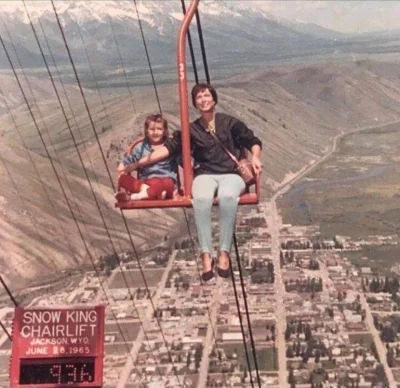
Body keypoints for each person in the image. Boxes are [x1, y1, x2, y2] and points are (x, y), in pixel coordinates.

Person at [118, 84, 262, 280]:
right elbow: (167, 149)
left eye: (206, 95)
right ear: (195, 103)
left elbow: (251, 140)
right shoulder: (192, 130)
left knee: (228, 196)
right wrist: (136, 165)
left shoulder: (229, 123)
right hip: (205, 175)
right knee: (201, 198)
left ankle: (224, 253)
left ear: (214, 99)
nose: (203, 99)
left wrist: (255, 157)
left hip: (231, 174)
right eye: (199, 97)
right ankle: (205, 254)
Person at [116, 114, 176, 201]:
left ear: (164, 131)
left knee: (168, 183)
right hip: (146, 181)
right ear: (147, 131)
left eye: (159, 129)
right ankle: (152, 192)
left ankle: (134, 197)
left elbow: (184, 160)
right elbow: (130, 159)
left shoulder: (170, 147)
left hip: (164, 180)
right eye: (152, 129)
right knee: (122, 179)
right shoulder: (140, 147)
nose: (155, 132)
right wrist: (123, 164)